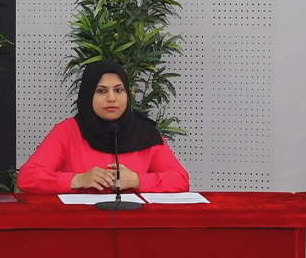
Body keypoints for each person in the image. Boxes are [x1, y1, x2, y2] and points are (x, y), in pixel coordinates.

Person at [18, 60, 190, 193]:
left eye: (118, 90)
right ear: (88, 95)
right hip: (81, 223)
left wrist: (137, 181)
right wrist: (78, 180)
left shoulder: (145, 133)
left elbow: (180, 179)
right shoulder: (68, 131)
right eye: (101, 91)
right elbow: (28, 177)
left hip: (133, 222)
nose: (111, 98)